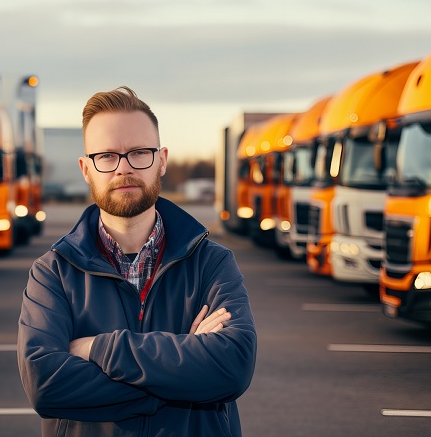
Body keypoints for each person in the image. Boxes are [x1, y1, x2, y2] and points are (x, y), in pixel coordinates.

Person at [17, 86, 257, 436]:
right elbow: (46, 385)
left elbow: (232, 368)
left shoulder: (212, 263)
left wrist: (98, 348)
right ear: (86, 169)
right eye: (107, 156)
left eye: (139, 153)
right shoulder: (53, 271)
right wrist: (183, 371)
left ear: (161, 160)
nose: (123, 169)